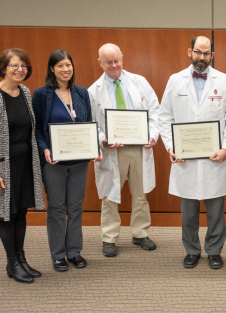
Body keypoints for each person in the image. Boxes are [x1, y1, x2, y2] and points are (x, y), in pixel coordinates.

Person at [158, 36, 226, 269]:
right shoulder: (175, 81)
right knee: (188, 211)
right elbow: (165, 117)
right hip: (185, 158)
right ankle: (191, 250)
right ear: (189, 52)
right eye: (198, 52)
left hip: (216, 157)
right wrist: (171, 148)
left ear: (212, 55)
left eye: (206, 53)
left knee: (215, 210)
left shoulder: (224, 81)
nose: (201, 57)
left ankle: (214, 251)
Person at [0, 48, 45, 284]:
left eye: (24, 66)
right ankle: (12, 262)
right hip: (3, 168)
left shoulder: (25, 92)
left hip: (25, 164)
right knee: (7, 215)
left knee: (21, 212)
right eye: (14, 65)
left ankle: (21, 259)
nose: (20, 70)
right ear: (3, 68)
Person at [88, 43, 160, 257]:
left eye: (117, 60)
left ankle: (140, 234)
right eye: (108, 62)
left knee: (140, 193)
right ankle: (109, 237)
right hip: (112, 151)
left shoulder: (140, 82)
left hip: (139, 148)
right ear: (100, 62)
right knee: (110, 196)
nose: (114, 65)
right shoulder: (93, 91)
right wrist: (104, 139)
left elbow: (155, 111)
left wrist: (152, 135)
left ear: (122, 58)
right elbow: (91, 122)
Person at [33, 50, 102, 271]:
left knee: (75, 206)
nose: (65, 69)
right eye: (60, 65)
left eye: (69, 65)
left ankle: (74, 252)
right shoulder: (42, 94)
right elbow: (37, 130)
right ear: (52, 69)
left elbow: (88, 124)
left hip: (80, 162)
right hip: (54, 163)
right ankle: (58, 255)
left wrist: (94, 147)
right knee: (55, 208)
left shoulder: (81, 93)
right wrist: (44, 149)